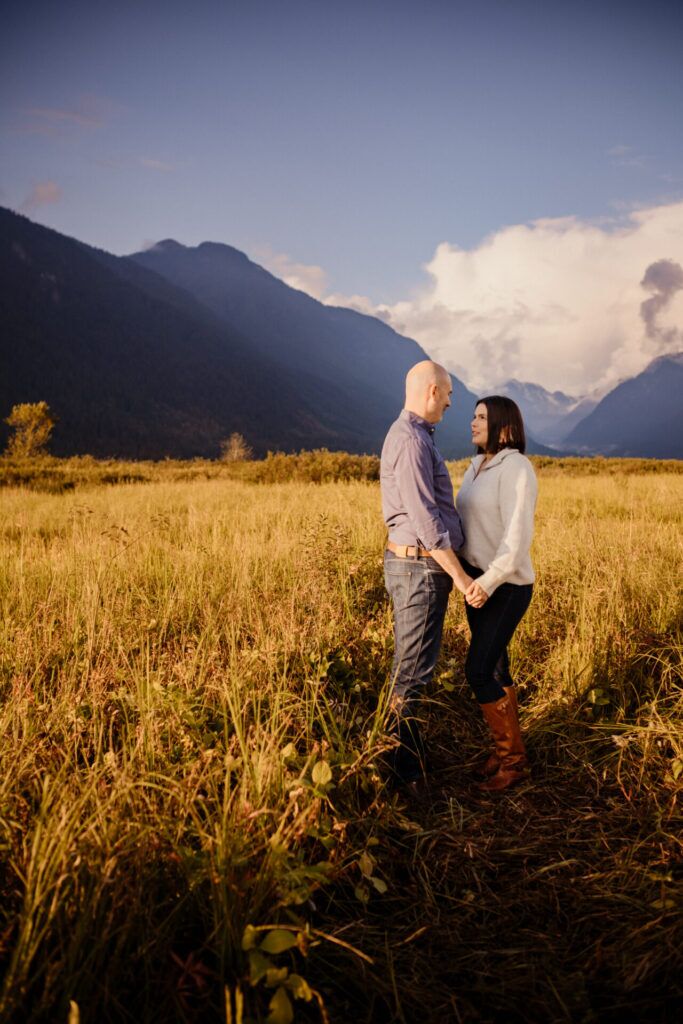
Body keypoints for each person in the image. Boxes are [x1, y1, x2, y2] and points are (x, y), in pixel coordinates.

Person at [380, 360, 473, 793]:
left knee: (411, 667)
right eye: (450, 394)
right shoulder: (413, 441)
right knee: (413, 672)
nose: (452, 403)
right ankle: (402, 773)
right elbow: (425, 518)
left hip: (414, 564)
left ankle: (403, 760)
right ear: (433, 390)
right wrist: (458, 575)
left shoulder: (413, 436)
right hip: (419, 565)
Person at [456, 395, 538, 792]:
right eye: (473, 415)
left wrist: (486, 584)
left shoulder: (517, 468)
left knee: (477, 669)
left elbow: (516, 540)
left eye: (482, 417)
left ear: (504, 426)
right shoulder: (476, 466)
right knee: (497, 669)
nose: (472, 422)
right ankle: (506, 750)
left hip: (504, 587)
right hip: (474, 582)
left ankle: (514, 763)